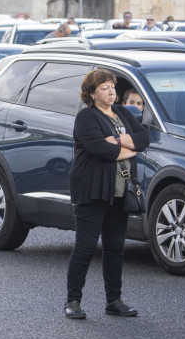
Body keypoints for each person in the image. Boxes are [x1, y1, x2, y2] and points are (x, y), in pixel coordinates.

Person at [64, 69, 150, 320]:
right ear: (91, 93)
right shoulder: (86, 117)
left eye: (112, 87)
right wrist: (129, 147)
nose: (111, 92)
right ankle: (73, 301)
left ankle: (114, 300)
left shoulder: (123, 112)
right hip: (92, 190)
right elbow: (101, 149)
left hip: (121, 191)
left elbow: (143, 139)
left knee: (115, 248)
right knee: (85, 247)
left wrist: (119, 141)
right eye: (104, 88)